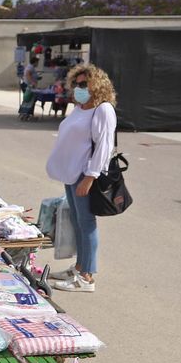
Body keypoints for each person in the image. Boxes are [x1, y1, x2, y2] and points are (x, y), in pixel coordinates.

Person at [45, 64, 117, 293]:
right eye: (76, 84)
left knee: (87, 223)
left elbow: (104, 146)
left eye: (84, 84)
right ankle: (79, 267)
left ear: (97, 85)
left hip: (85, 176)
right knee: (76, 222)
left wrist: (90, 177)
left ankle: (86, 277)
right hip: (71, 174)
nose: (79, 88)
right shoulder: (80, 108)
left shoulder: (103, 110)